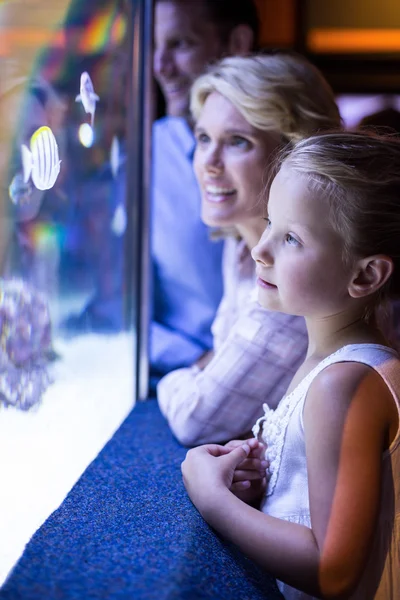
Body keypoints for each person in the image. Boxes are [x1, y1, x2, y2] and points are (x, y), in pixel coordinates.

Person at [182, 131, 400, 599]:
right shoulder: (328, 366)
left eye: (291, 238)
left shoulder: (343, 384)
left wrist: (212, 497)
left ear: (365, 275)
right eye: (268, 223)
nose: (260, 249)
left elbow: (333, 572)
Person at [157, 52, 341, 445]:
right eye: (203, 138)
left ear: (294, 153)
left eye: (237, 142)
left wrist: (182, 375)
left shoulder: (295, 282)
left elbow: (197, 421)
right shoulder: (242, 245)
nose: (207, 162)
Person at [150, 0, 259, 383]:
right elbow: (113, 312)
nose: (160, 67)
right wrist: (200, 360)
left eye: (180, 44)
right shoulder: (137, 163)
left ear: (236, 43)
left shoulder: (295, 160)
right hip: (185, 381)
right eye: (152, 46)